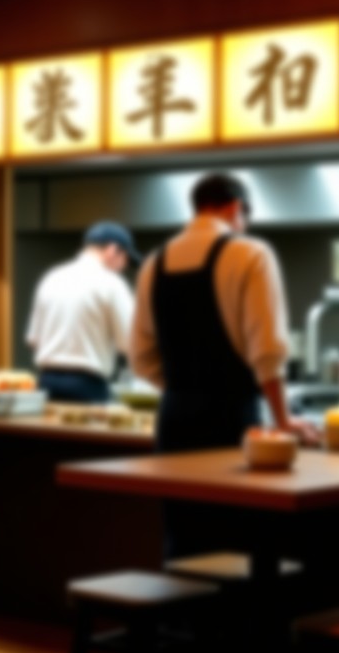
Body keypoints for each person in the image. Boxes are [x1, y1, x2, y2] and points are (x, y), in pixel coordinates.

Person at [130, 172, 318, 558]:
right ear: (235, 207)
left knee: (183, 536)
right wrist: (283, 422)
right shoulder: (251, 253)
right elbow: (267, 351)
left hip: (174, 420)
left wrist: (183, 389)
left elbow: (140, 356)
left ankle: (179, 618)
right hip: (230, 417)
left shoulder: (153, 263)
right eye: (245, 216)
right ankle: (234, 621)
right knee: (236, 540)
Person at [27, 221, 141, 404]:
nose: (123, 268)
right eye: (125, 260)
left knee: (49, 433)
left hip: (46, 383)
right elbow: (131, 343)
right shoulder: (111, 283)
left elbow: (34, 340)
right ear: (112, 251)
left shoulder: (51, 278)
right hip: (86, 386)